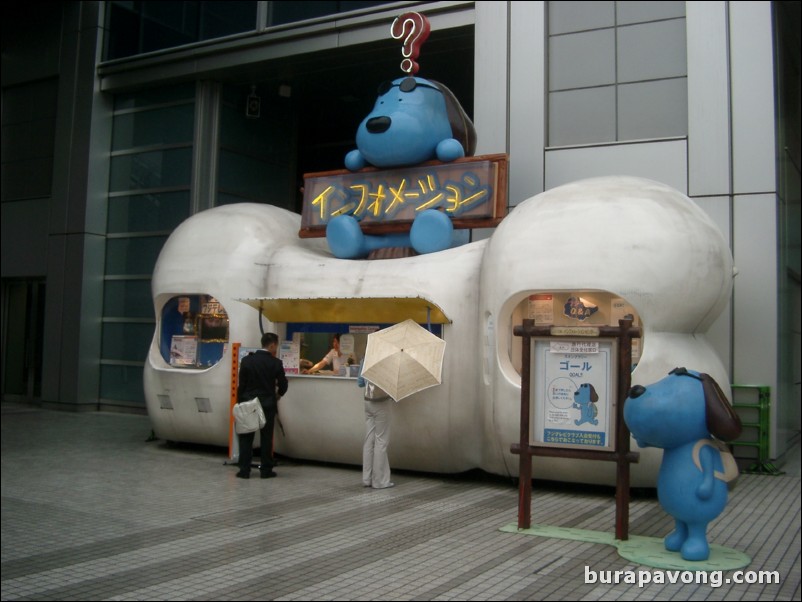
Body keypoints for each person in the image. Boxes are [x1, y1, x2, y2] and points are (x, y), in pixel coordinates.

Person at [236, 332, 288, 479]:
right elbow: (283, 384)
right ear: (272, 345)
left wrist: (240, 402)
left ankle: (244, 470)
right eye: (276, 346)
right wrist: (278, 395)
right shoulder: (275, 363)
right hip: (267, 404)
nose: (276, 349)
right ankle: (266, 470)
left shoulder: (247, 361)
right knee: (266, 437)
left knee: (246, 437)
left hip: (248, 403)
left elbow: (242, 385)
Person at [358, 371, 394, 489]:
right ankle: (379, 481)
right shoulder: (388, 361)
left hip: (367, 401)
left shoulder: (366, 358)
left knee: (369, 439)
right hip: (382, 403)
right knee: (381, 441)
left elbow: (360, 382)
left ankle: (366, 479)